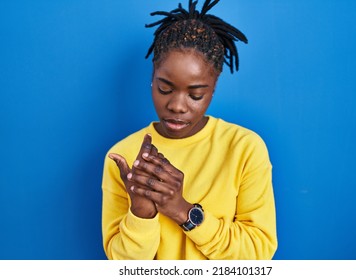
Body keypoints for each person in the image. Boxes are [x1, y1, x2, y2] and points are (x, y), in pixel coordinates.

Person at [101, 0, 277, 260]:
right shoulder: (123, 156)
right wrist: (141, 213)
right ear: (152, 79)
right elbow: (121, 266)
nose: (177, 106)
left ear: (212, 89)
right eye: (165, 89)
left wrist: (182, 210)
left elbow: (258, 254)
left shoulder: (244, 148)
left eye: (195, 94)